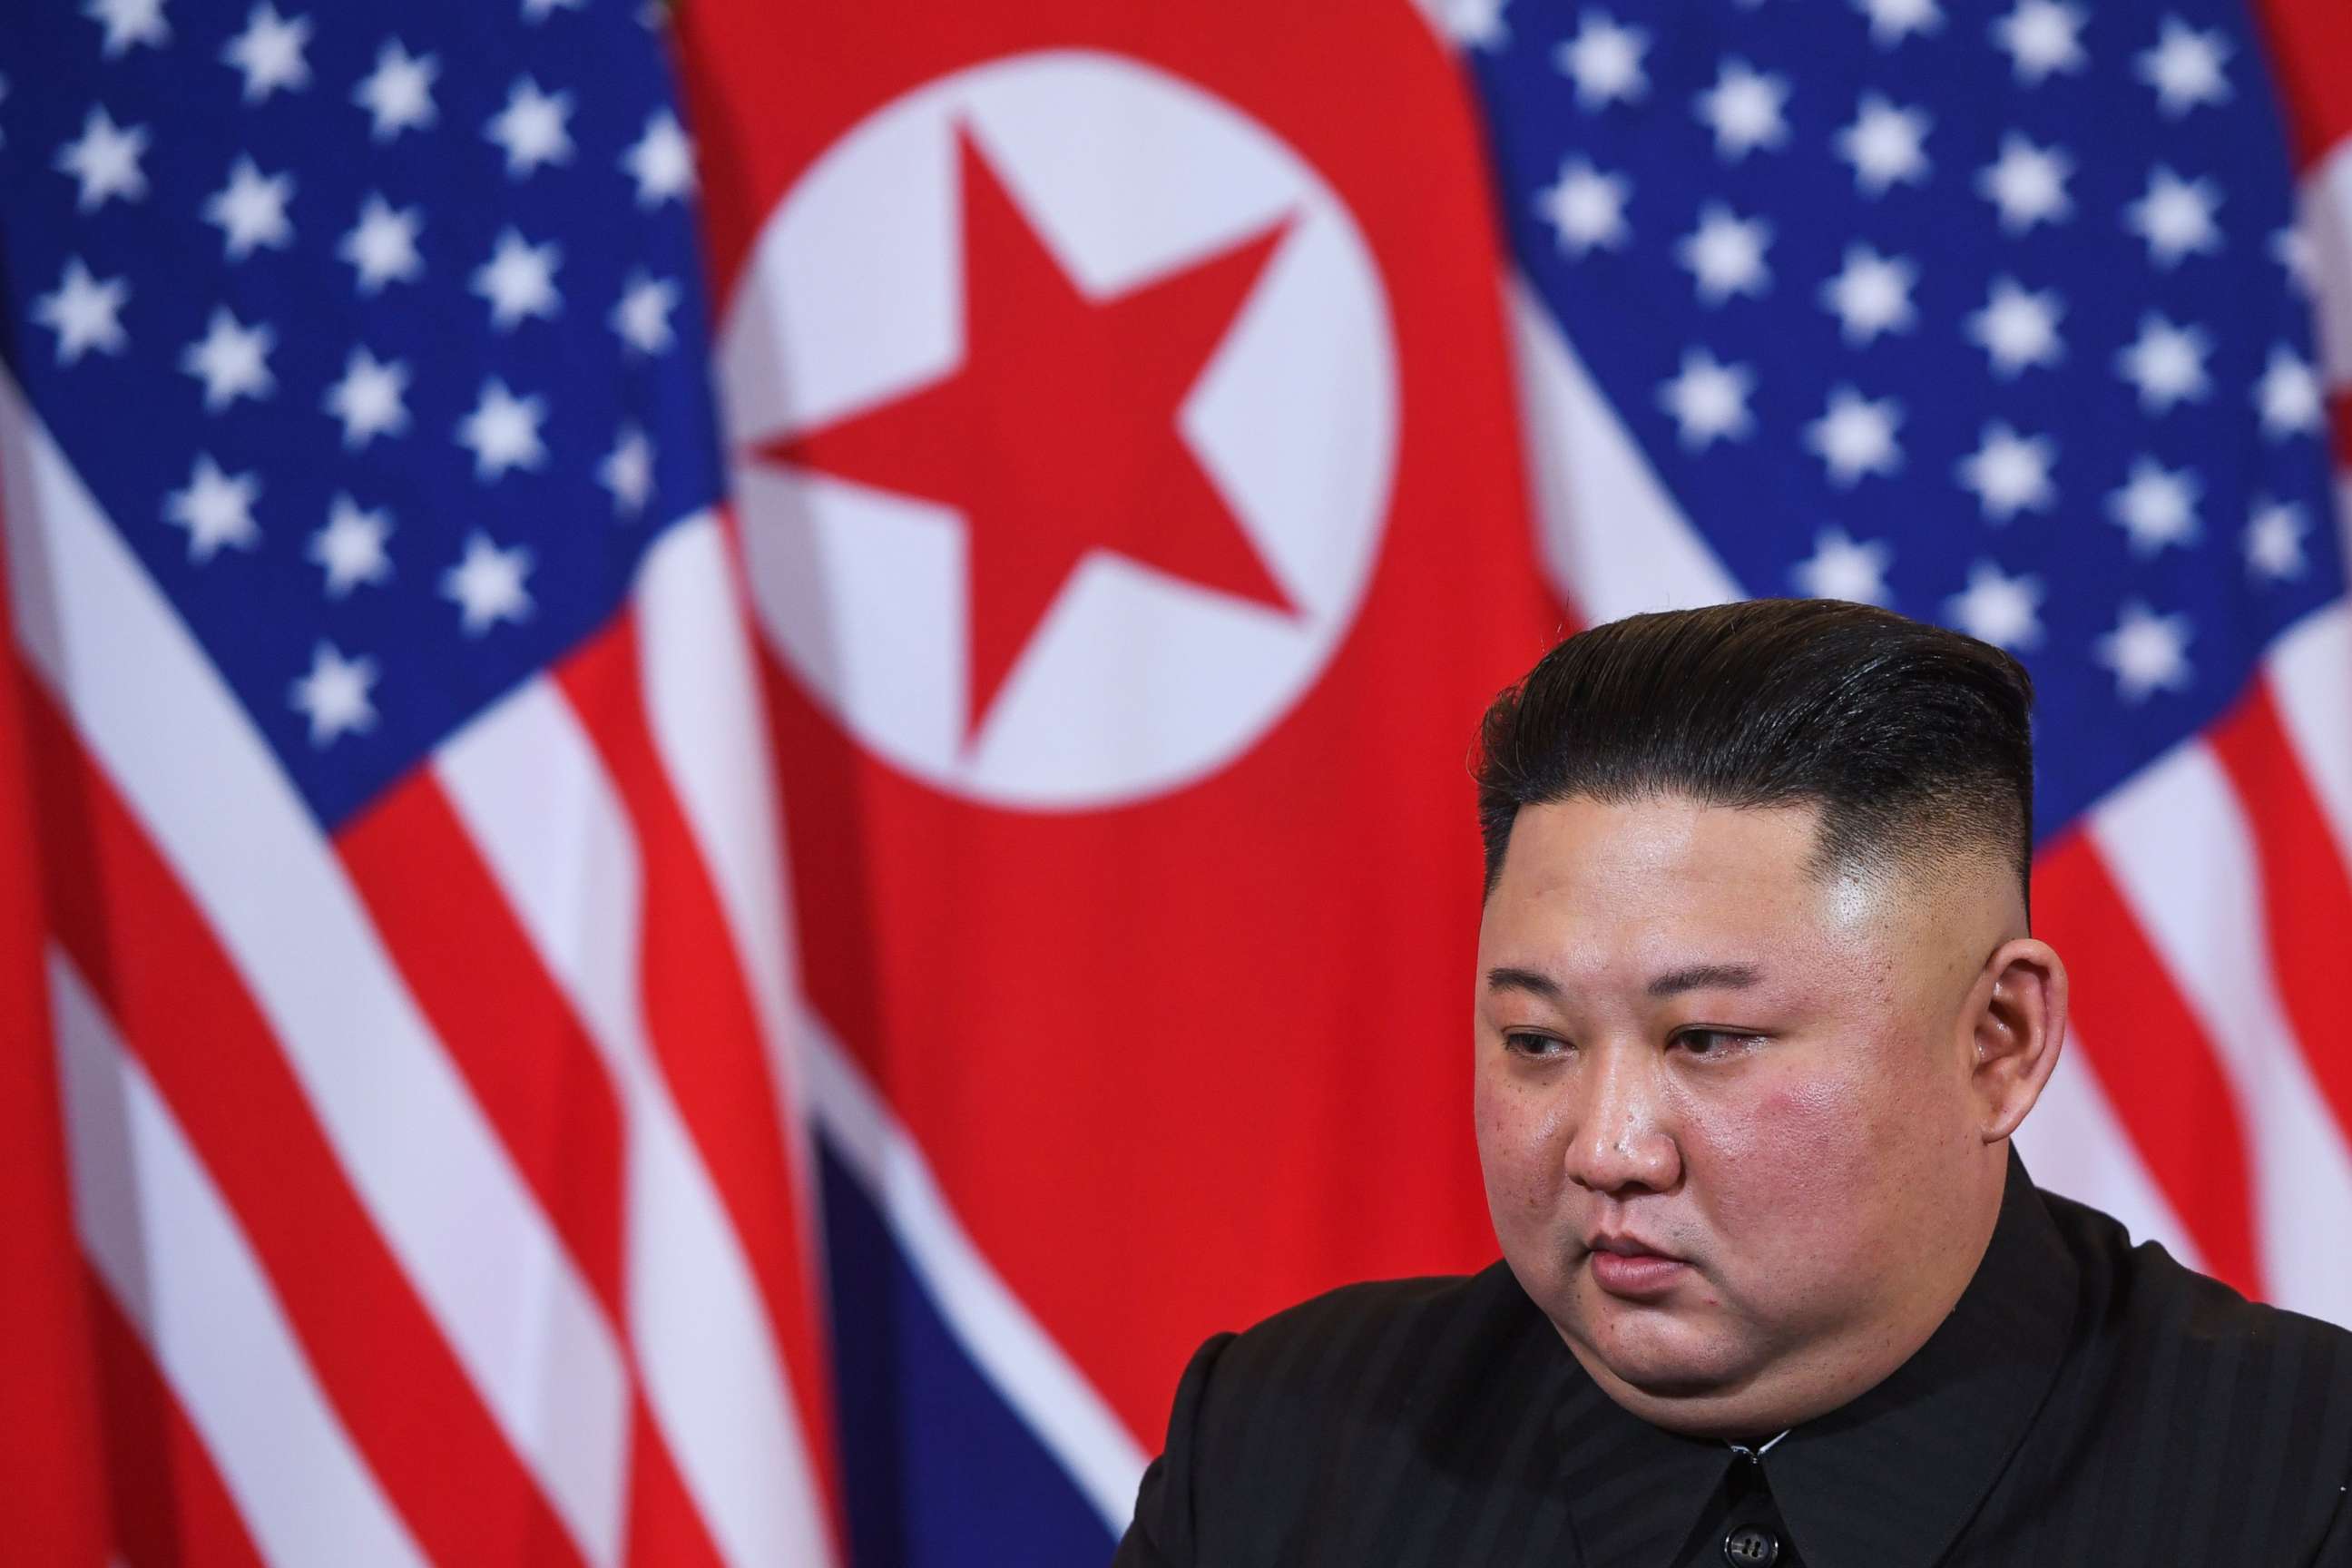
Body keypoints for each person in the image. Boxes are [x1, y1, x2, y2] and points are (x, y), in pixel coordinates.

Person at [1112, 599, 2352, 1568]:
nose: (1608, 1149)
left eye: (1706, 1040)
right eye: (1537, 1041)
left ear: (2000, 1041)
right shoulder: (1285, 1449)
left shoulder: (2302, 1484)